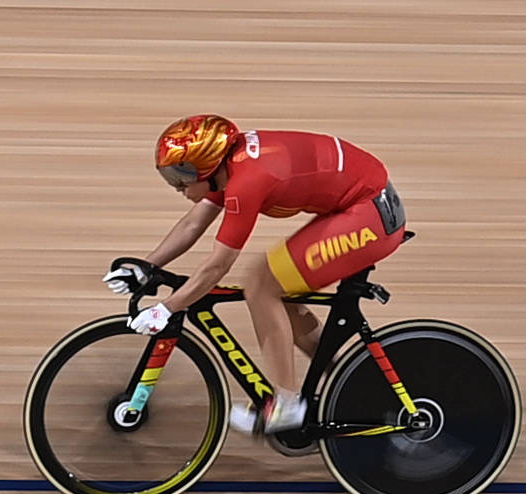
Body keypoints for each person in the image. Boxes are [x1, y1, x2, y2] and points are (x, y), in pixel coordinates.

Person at [107, 116, 408, 445]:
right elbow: (193, 225)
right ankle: (347, 381)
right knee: (276, 291)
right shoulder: (228, 165)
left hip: (369, 215)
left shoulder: (246, 180)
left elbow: (217, 266)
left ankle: (288, 404)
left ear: (208, 167)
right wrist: (146, 267)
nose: (178, 186)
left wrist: (167, 308)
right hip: (358, 204)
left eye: (182, 176)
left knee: (261, 285)